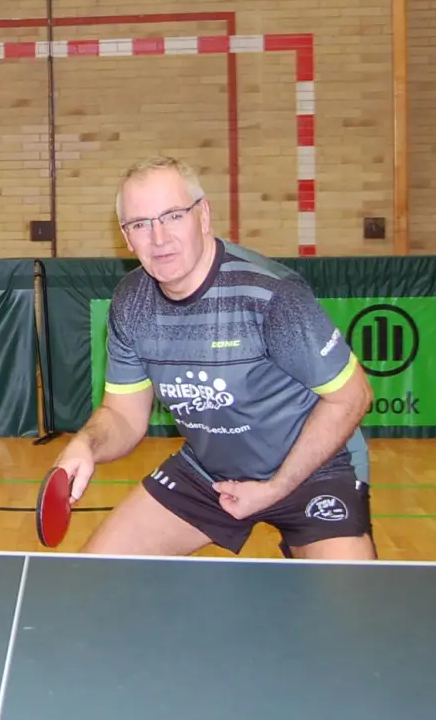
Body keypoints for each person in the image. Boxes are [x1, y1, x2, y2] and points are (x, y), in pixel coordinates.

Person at [53, 155, 376, 561]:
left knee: (350, 616)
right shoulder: (131, 302)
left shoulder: (269, 295)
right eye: (140, 224)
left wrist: (274, 488)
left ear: (203, 215)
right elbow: (123, 415)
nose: (158, 237)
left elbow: (353, 396)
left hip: (315, 472)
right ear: (126, 236)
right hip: (208, 473)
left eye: (172, 216)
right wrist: (86, 444)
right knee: (91, 577)